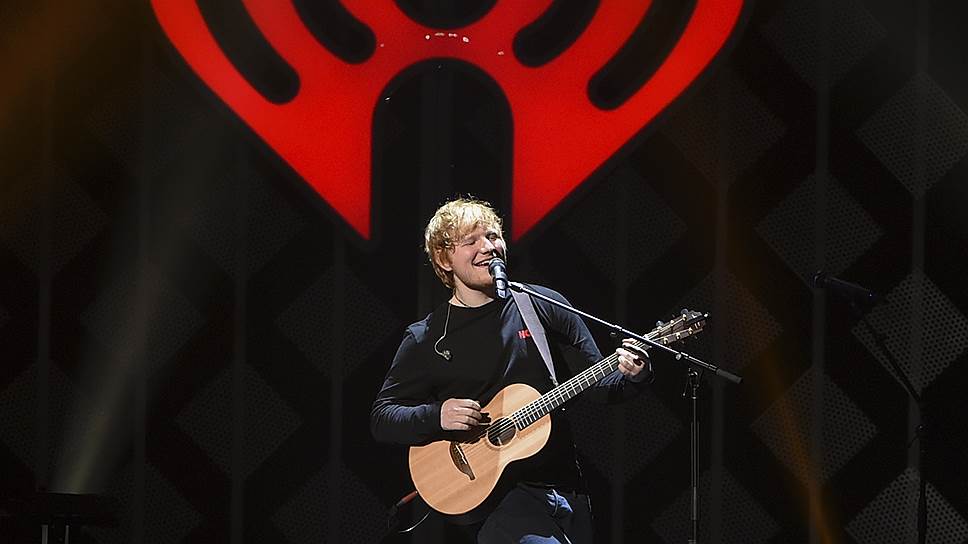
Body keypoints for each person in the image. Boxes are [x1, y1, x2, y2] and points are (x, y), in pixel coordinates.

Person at [371, 198, 653, 543]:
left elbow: (599, 384)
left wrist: (635, 373)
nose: (488, 247)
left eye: (493, 236)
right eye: (471, 240)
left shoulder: (541, 306)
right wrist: (437, 415)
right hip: (499, 501)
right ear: (445, 259)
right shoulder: (426, 337)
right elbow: (383, 417)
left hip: (568, 487)